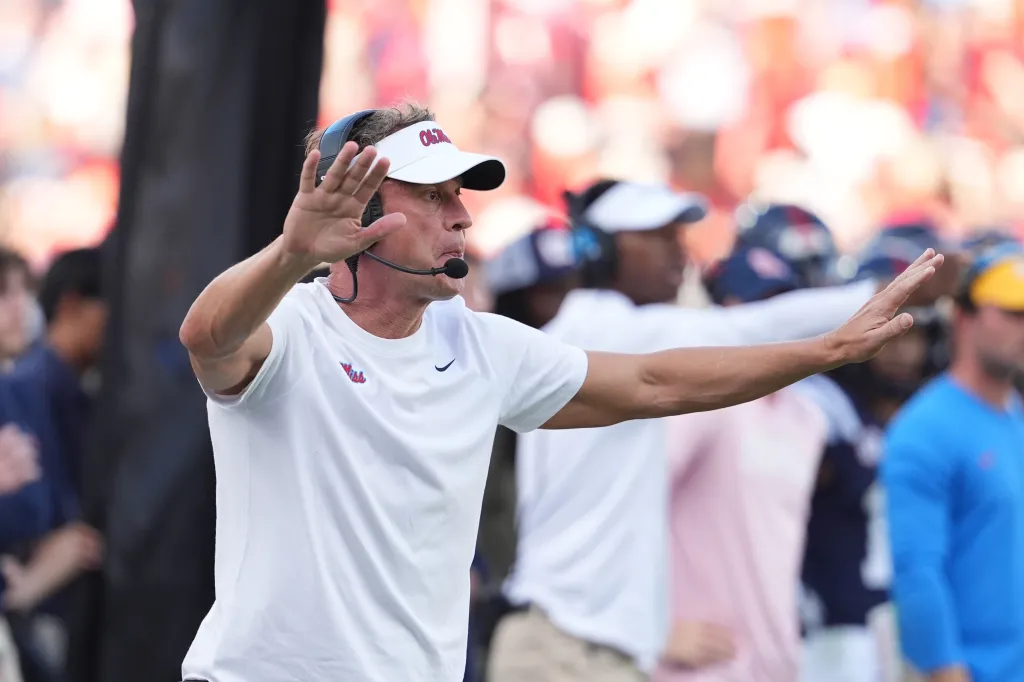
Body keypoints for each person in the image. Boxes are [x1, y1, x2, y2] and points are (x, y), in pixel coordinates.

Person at [176, 102, 941, 682]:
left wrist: (828, 351)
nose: (462, 216)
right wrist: (290, 252)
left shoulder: (480, 347)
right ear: (360, 211)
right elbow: (206, 339)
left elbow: (655, 381)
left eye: (460, 197)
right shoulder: (294, 327)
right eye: (437, 197)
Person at [488, 179, 946, 682]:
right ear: (597, 251)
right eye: (659, 237)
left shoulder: (607, 332)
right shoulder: (607, 326)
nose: (679, 254)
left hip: (590, 644)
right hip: (566, 647)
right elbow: (746, 329)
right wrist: (870, 299)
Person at [653, 245, 828, 682]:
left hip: (777, 664)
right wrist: (652, 628)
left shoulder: (807, 417)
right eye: (757, 304)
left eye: (782, 303)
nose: (772, 319)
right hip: (698, 668)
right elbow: (625, 503)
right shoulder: (702, 402)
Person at [796, 223, 950, 682]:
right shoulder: (823, 410)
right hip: (830, 627)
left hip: (902, 622)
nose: (901, 350)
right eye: (888, 330)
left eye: (914, 333)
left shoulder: (928, 417)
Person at [883, 244, 1024, 682]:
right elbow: (917, 571)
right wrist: (947, 671)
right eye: (1013, 313)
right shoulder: (926, 428)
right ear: (963, 317)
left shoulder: (1014, 414)